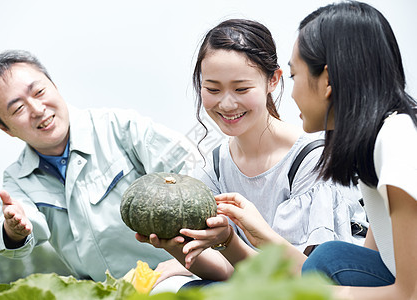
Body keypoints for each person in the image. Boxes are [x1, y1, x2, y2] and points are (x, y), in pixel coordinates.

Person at [136, 18, 367, 284]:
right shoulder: (215, 166)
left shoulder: (312, 161)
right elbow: (229, 271)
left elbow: (312, 279)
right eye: (212, 89)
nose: (227, 103)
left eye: (241, 88)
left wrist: (230, 240)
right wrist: (176, 246)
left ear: (273, 81)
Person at [0, 50, 198, 284]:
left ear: (54, 86)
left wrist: (189, 258)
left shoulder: (120, 128)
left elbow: (194, 171)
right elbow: (22, 227)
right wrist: (14, 231)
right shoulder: (18, 178)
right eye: (18, 108)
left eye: (39, 92)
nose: (37, 109)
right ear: (4, 128)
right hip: (103, 291)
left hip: (172, 275)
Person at [290, 2, 416, 299]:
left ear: (328, 80)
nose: (292, 90)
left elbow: (411, 293)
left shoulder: (396, 139)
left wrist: (317, 295)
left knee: (324, 263)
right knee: (329, 258)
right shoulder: (374, 138)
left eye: (293, 75)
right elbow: (384, 246)